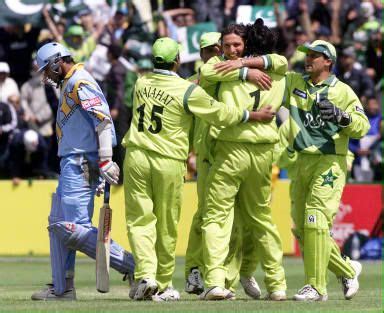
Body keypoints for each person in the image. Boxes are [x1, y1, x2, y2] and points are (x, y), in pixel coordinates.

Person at [122, 37, 275, 302]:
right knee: (167, 225)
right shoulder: (186, 90)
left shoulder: (140, 83)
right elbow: (219, 113)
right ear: (178, 60)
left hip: (135, 156)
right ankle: (164, 282)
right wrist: (252, 115)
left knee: (139, 221)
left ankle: (146, 274)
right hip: (167, 160)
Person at [31, 42, 135, 301]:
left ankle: (134, 267)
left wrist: (104, 161)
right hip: (71, 161)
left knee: (71, 228)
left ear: (57, 62)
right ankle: (62, 287)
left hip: (81, 162)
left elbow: (102, 120)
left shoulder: (80, 82)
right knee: (58, 223)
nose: (46, 76)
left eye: (47, 69)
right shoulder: (69, 82)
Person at [199, 20, 287, 301]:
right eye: (227, 46)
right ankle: (277, 285)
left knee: (215, 217)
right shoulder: (277, 70)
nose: (232, 51)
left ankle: (214, 281)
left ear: (247, 45)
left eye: (237, 45)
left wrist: (239, 69)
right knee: (261, 219)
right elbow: (281, 61)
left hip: (232, 150)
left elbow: (206, 70)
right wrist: (246, 70)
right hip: (262, 152)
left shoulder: (223, 68)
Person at [283, 40, 369, 301]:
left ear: (328, 61)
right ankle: (346, 269)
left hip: (329, 162)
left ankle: (316, 287)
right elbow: (272, 73)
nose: (308, 59)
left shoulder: (342, 91)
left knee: (315, 219)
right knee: (302, 229)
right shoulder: (295, 83)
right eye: (306, 55)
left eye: (314, 56)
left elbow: (362, 127)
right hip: (302, 163)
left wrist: (341, 116)